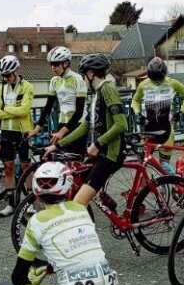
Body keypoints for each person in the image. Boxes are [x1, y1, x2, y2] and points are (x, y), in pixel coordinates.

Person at [0, 161, 117, 285]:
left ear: (36, 191)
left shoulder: (36, 222)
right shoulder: (80, 209)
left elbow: (17, 278)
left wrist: (30, 282)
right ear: (68, 186)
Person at [46, 53, 127, 207]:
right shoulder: (96, 94)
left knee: (78, 203)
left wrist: (97, 144)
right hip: (100, 153)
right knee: (78, 183)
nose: (83, 80)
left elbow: (121, 124)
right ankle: (109, 205)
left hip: (111, 154)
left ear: (91, 74)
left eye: (84, 76)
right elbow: (84, 126)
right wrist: (57, 145)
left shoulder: (107, 89)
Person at [131, 56, 184, 173]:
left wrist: (181, 111)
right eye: (154, 79)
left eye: (160, 78)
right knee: (144, 163)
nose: (157, 81)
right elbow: (135, 100)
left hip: (167, 131)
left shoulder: (172, 83)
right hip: (149, 131)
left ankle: (175, 185)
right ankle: (142, 189)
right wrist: (138, 113)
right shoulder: (143, 85)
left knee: (164, 164)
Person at [0, 55, 35, 217]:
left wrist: (6, 109)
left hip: (23, 132)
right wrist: (12, 110)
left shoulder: (27, 87)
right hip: (6, 132)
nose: (6, 78)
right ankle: (11, 203)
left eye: (8, 75)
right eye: (3, 76)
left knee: (26, 167)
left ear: (16, 71)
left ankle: (29, 202)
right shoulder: (0, 89)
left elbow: (24, 110)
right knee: (8, 168)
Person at [28, 46, 87, 155]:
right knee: (61, 160)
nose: (52, 68)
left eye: (55, 64)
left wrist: (61, 132)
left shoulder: (78, 79)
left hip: (78, 124)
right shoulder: (54, 81)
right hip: (62, 123)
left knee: (76, 160)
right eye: (51, 64)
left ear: (65, 63)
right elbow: (48, 107)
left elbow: (79, 112)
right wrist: (36, 129)